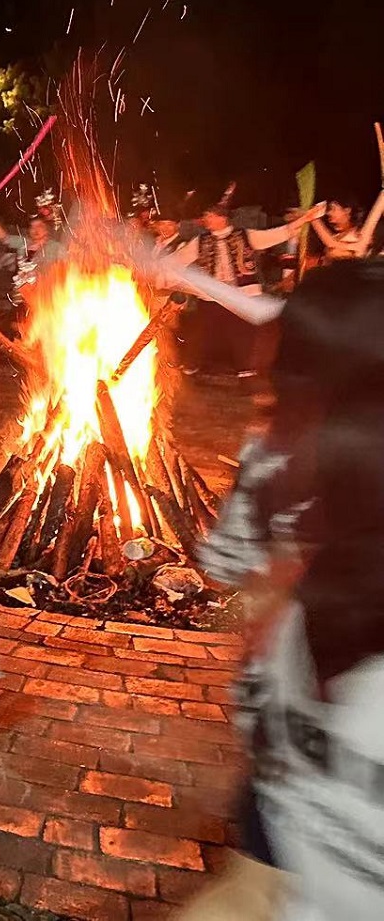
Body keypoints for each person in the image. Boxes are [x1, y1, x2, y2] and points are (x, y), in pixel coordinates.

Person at [178, 259, 384, 921]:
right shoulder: (271, 458)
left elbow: (233, 584)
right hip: (296, 760)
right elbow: (234, 586)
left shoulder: (274, 455)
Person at [169, 200, 321, 377]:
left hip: (240, 295)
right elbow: (178, 258)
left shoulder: (245, 236)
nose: (206, 219)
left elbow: (277, 234)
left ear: (222, 218)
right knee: (200, 331)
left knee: (242, 332)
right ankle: (191, 364)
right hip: (212, 296)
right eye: (206, 216)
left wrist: (302, 221)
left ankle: (245, 369)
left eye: (209, 216)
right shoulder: (200, 241)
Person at [310, 190, 384, 265]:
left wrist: (313, 218)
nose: (328, 213)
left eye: (332, 208)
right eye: (327, 210)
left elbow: (331, 244)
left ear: (347, 210)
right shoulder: (336, 236)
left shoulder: (358, 235)